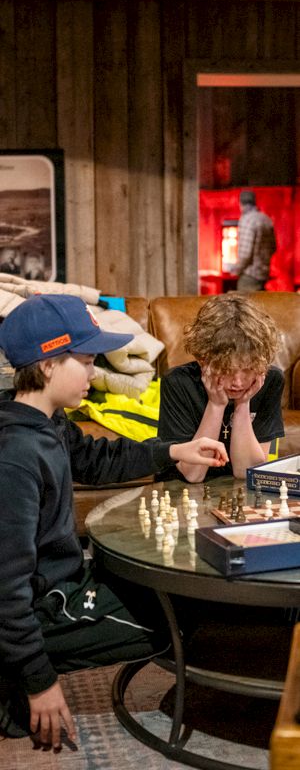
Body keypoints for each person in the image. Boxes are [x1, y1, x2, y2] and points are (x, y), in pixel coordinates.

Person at [0, 293, 228, 749]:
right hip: (45, 607)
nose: (92, 372)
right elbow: (5, 590)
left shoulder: (47, 420)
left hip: (65, 580)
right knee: (184, 615)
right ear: (47, 364)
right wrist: (39, 682)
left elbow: (96, 459)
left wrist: (173, 450)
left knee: (175, 585)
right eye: (84, 360)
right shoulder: (16, 456)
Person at [158, 293, 284, 483]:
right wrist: (216, 405)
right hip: (181, 492)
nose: (238, 382)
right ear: (204, 361)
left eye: (248, 369)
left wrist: (243, 404)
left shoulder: (270, 380)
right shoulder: (177, 382)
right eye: (227, 370)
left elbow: (246, 472)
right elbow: (193, 474)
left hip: (235, 493)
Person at [234, 189, 276, 291]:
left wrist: (236, 270)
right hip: (263, 275)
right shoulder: (266, 219)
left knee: (244, 306)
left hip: (249, 276)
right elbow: (274, 247)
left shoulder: (246, 220)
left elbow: (245, 254)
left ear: (241, 204)